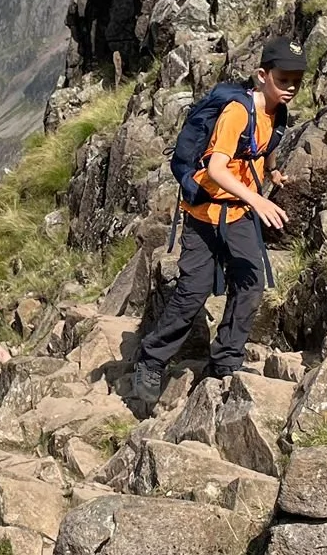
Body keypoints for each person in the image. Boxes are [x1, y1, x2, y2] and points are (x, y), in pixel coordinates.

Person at [130, 35, 306, 412]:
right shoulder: (238, 112)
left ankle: (225, 362)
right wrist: (256, 197)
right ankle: (152, 359)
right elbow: (215, 167)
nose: (290, 87)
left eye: (296, 80)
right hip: (205, 214)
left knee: (250, 283)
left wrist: (272, 175)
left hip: (239, 213)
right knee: (193, 292)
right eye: (283, 79)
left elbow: (266, 145)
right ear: (262, 75)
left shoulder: (278, 110)